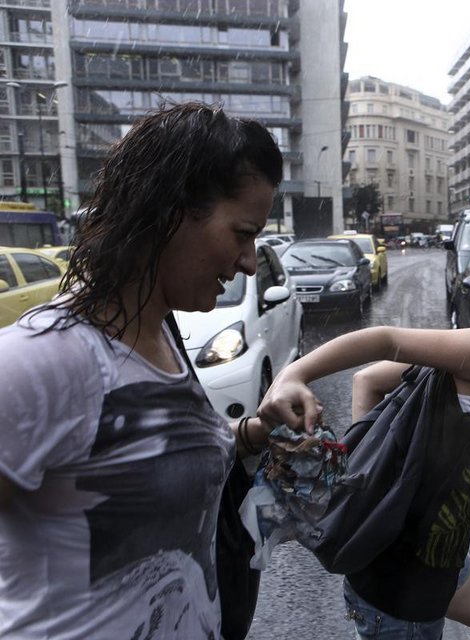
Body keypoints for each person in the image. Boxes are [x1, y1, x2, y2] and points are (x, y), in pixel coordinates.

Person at [0, 102, 282, 638]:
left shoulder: (163, 333)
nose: (249, 260)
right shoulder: (39, 362)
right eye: (242, 233)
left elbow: (140, 454)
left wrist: (251, 433)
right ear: (170, 212)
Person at [258, 241, 470, 640]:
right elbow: (384, 340)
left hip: (433, 558)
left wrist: (366, 475)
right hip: (402, 589)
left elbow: (369, 380)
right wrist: (293, 375)